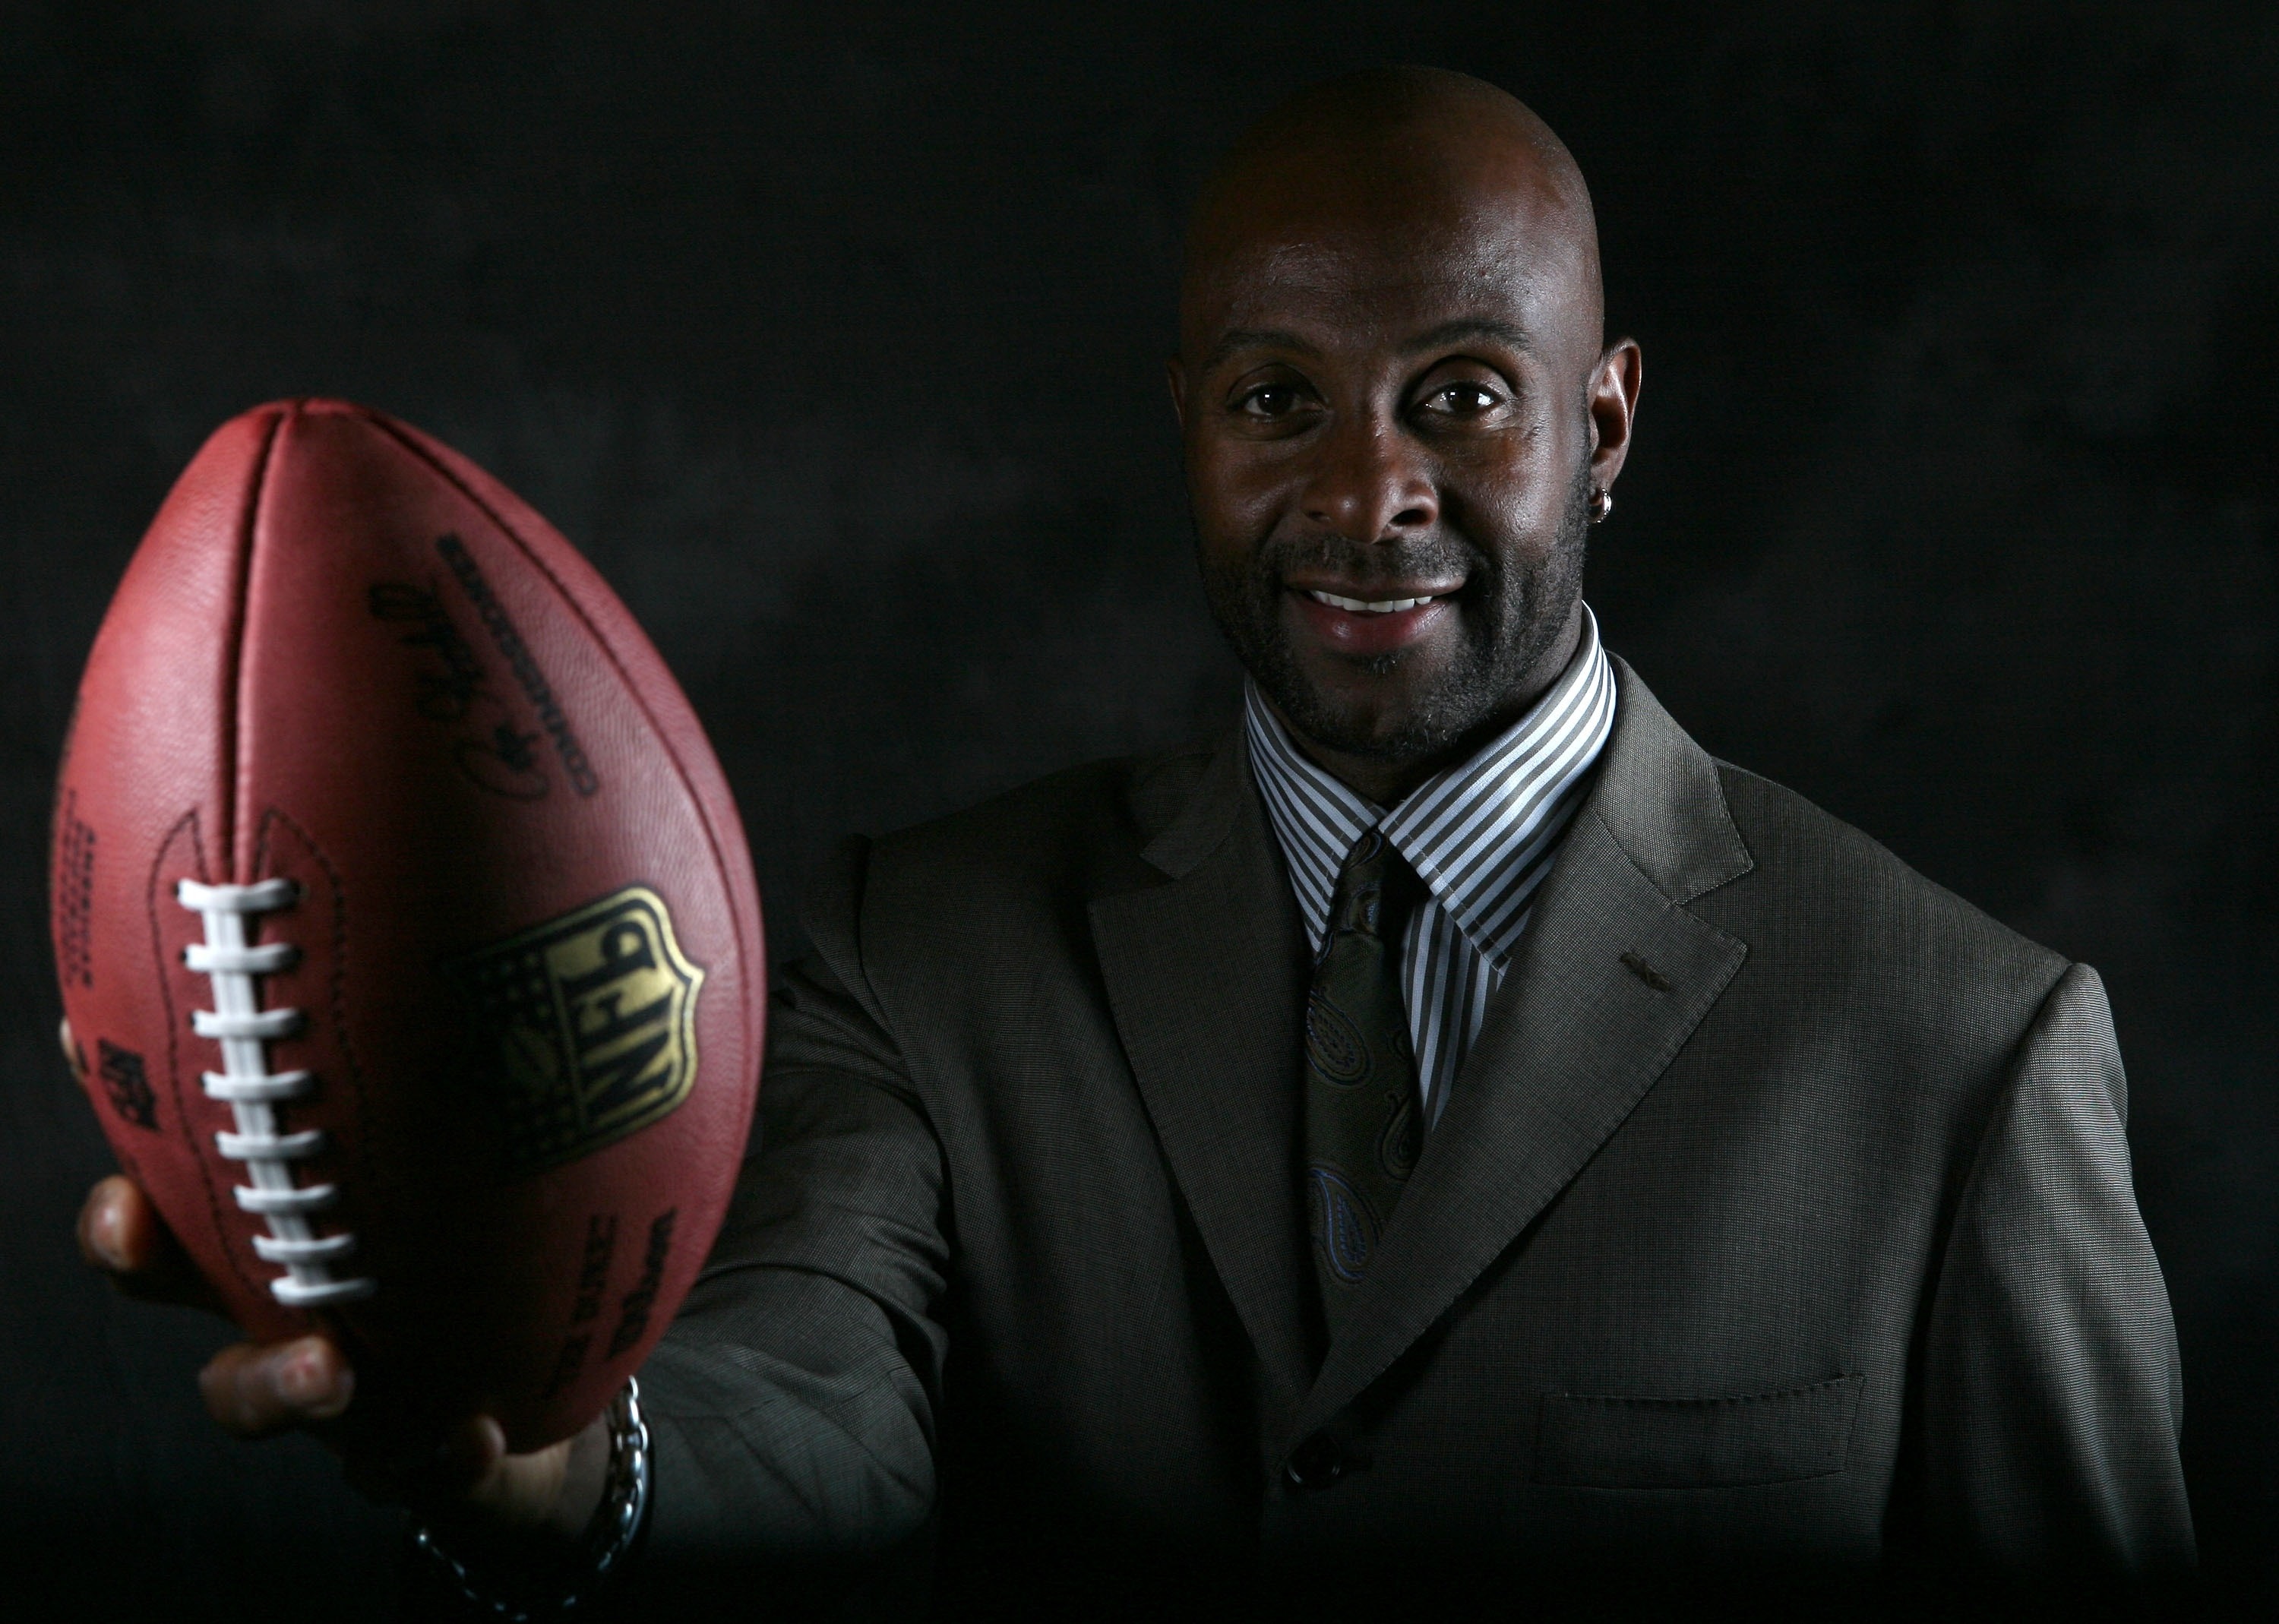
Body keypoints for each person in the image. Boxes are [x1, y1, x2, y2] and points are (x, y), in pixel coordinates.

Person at [77, 66, 2194, 1619]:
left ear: (1606, 425)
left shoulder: (1960, 1052)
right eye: (1281, 398)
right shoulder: (932, 948)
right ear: (1185, 416)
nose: (1369, 491)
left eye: (1461, 393)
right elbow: (808, 1392)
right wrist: (568, 1463)